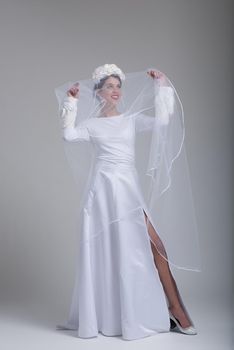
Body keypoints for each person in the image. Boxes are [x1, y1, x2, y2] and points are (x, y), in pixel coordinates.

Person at [55, 64, 200, 340]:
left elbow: (163, 121)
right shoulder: (91, 125)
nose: (116, 91)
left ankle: (175, 308)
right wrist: (71, 101)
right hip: (102, 194)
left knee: (156, 246)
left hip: (128, 191)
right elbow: (69, 135)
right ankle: (126, 315)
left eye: (118, 86)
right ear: (97, 93)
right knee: (116, 252)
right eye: (109, 86)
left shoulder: (131, 119)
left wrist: (162, 88)